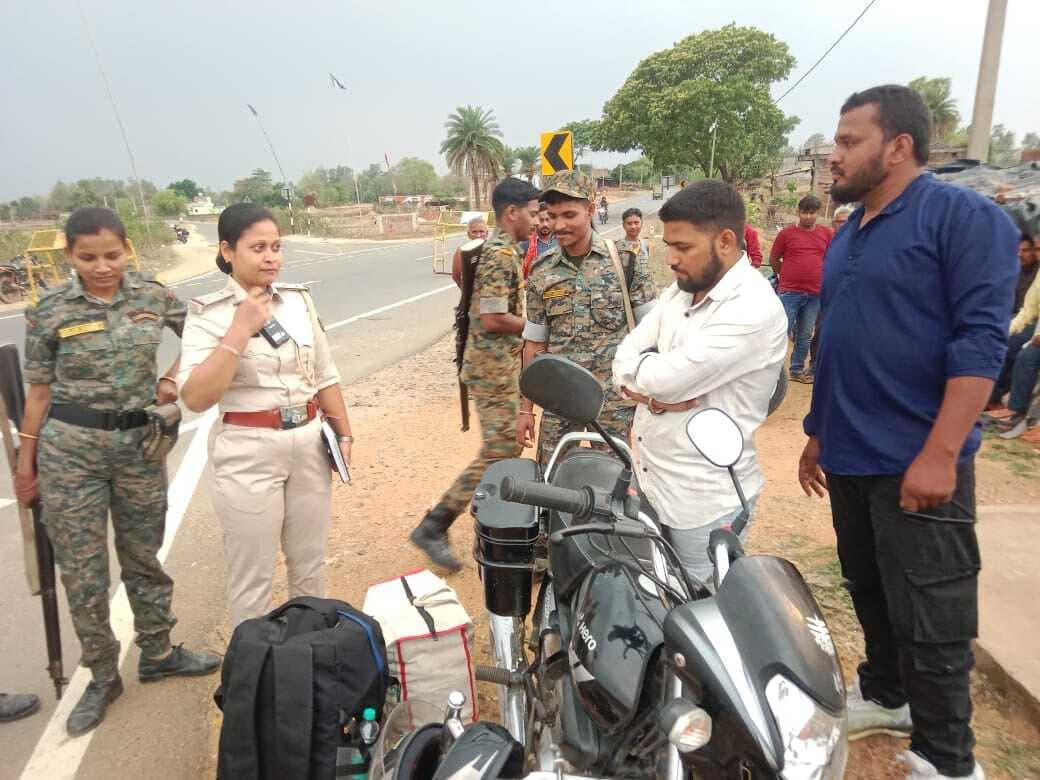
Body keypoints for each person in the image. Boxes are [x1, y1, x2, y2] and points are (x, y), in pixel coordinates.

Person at [798, 85, 1018, 780]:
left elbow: (981, 344)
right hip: (851, 451)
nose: (834, 156)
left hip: (919, 460)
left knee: (934, 615)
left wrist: (941, 453)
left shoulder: (965, 219)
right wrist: (816, 430)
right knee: (867, 586)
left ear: (898, 146)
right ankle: (889, 696)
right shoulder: (851, 231)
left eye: (848, 142)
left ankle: (947, 760)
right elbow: (839, 339)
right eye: (835, 142)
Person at [14, 207, 221, 738]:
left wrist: (173, 378)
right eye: (88, 257)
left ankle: (158, 651)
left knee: (143, 556)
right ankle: (102, 675)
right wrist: (25, 461)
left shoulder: (153, 296)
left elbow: (202, 336)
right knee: (83, 573)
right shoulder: (49, 307)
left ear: (127, 249)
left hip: (139, 446)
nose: (101, 267)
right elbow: (37, 390)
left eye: (111, 255)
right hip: (70, 453)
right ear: (69, 255)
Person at [179, 203, 354, 627]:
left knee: (310, 569)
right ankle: (254, 682)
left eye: (276, 246)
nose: (271, 256)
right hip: (247, 452)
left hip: (310, 444)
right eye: (258, 247)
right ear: (227, 251)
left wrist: (343, 434)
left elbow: (325, 374)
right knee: (252, 579)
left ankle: (310, 661)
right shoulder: (209, 314)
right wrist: (239, 330)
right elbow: (196, 398)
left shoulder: (297, 302)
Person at [612, 181, 786, 586]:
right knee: (656, 595)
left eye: (683, 247)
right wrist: (653, 394)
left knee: (700, 609)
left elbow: (666, 379)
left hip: (704, 501)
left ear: (725, 241)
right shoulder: (680, 290)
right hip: (653, 480)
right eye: (668, 245)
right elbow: (625, 355)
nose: (670, 258)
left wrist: (651, 386)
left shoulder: (753, 308)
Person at [410, 178, 541, 571]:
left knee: (506, 449)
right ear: (511, 213)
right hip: (491, 370)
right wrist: (534, 328)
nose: (537, 222)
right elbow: (494, 316)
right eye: (533, 214)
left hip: (498, 365)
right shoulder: (500, 254)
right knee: (501, 450)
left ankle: (491, 524)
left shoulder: (506, 250)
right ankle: (438, 524)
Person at [519, 170, 657, 464]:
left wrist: (653, 396)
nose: (559, 225)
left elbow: (654, 335)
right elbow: (533, 345)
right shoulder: (541, 271)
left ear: (591, 210)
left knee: (614, 482)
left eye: (569, 214)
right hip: (558, 398)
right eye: (552, 215)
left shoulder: (627, 260)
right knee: (550, 481)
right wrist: (526, 409)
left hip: (613, 402)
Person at [769, 194, 833, 383]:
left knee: (805, 334)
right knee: (781, 332)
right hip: (789, 292)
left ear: (817, 213)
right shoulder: (786, 234)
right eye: (804, 212)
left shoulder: (826, 234)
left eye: (812, 213)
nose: (808, 216)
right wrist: (784, 276)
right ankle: (771, 372)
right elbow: (774, 258)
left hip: (814, 293)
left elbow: (830, 258)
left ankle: (796, 370)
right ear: (798, 212)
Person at [985, 233, 1038, 412]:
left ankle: (1002, 404)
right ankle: (987, 398)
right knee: (995, 338)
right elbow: (1020, 308)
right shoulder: (1016, 270)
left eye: (1027, 250)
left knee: (1015, 349)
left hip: (1034, 323)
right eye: (1018, 250)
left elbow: (1029, 312)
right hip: (1021, 318)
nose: (1020, 254)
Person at [451, 217, 489, 287]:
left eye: (481, 231)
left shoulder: (495, 249)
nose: (478, 235)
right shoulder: (461, 252)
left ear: (487, 233)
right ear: (468, 234)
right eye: (474, 232)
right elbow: (456, 275)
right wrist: (465, 291)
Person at [523, 202, 556, 278]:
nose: (545, 224)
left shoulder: (561, 241)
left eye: (547, 220)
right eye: (541, 220)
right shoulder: (526, 243)